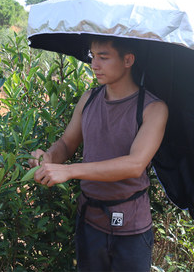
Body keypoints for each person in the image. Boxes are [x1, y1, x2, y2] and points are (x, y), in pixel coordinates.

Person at [28, 35, 168, 271]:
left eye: (104, 57)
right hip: (90, 221)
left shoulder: (153, 108)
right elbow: (67, 143)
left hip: (131, 226)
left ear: (128, 60)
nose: (94, 65)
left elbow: (134, 164)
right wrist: (50, 157)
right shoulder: (88, 99)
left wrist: (68, 171)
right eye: (93, 57)